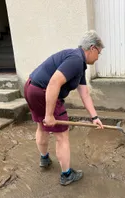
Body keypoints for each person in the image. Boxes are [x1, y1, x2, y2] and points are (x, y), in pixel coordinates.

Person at [24, 30, 104, 186]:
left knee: (41, 125)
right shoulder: (75, 60)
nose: (98, 57)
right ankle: (66, 175)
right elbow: (54, 83)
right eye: (99, 53)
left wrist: (94, 117)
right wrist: (49, 114)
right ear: (92, 48)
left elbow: (84, 94)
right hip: (43, 92)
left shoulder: (78, 62)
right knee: (61, 135)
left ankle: (44, 159)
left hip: (31, 88)